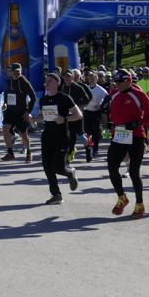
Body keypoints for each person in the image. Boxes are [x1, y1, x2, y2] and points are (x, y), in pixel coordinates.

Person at [105, 69, 149, 219]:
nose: (117, 84)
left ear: (128, 80)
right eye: (115, 82)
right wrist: (111, 123)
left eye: (120, 82)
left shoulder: (139, 94)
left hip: (136, 136)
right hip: (119, 135)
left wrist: (136, 123)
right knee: (112, 167)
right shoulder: (114, 93)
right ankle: (122, 197)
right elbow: (112, 112)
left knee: (134, 172)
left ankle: (139, 204)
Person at [37, 72, 82, 205]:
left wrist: (64, 119)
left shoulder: (64, 98)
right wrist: (33, 119)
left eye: (50, 81)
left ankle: (70, 173)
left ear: (57, 83)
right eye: (46, 81)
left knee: (57, 167)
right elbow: (42, 116)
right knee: (47, 167)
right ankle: (56, 194)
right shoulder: (43, 99)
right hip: (47, 136)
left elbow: (78, 115)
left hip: (61, 136)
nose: (46, 83)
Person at [0, 62, 36, 162]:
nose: (7, 72)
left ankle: (29, 152)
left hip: (21, 112)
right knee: (5, 130)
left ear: (17, 71)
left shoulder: (24, 82)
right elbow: (7, 93)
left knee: (23, 134)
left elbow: (33, 97)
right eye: (8, 70)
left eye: (9, 70)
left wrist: (28, 111)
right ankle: (10, 153)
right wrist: (5, 103)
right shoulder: (9, 81)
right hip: (10, 111)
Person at [81, 70, 107, 162]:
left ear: (97, 79)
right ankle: (89, 148)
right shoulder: (86, 88)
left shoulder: (101, 89)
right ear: (88, 79)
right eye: (90, 78)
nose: (92, 80)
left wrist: (101, 105)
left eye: (94, 78)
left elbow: (108, 98)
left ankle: (95, 149)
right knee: (87, 131)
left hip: (96, 113)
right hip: (87, 112)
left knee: (95, 132)